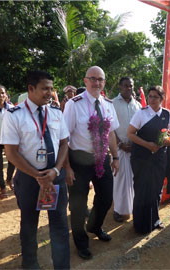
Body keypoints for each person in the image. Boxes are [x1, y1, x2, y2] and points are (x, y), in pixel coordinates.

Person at [0, 71, 70, 269]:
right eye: (44, 89)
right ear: (31, 89)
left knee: (59, 225)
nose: (49, 93)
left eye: (51, 88)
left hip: (55, 177)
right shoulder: (14, 115)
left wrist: (56, 170)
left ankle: (62, 266)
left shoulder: (56, 112)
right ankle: (30, 264)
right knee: (29, 225)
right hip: (30, 180)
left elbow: (64, 143)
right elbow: (11, 153)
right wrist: (37, 175)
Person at [63, 66, 119, 260]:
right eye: (93, 79)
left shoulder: (108, 104)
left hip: (102, 158)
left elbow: (111, 132)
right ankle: (81, 242)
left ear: (104, 82)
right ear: (85, 81)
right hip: (79, 159)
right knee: (78, 205)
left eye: (100, 79)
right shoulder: (74, 104)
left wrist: (116, 157)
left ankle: (94, 226)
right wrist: (67, 167)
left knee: (106, 197)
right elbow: (65, 137)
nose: (97, 83)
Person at [127, 85, 170, 234]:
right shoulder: (141, 114)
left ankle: (155, 219)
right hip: (141, 158)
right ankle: (140, 224)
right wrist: (147, 145)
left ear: (162, 99)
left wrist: (169, 140)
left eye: (155, 97)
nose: (152, 99)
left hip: (159, 158)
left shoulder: (167, 114)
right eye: (150, 96)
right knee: (142, 189)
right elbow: (130, 134)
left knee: (156, 189)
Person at [112, 77, 141, 222]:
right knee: (120, 180)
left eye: (131, 85)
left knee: (133, 181)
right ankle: (118, 210)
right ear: (120, 87)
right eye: (125, 85)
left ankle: (130, 207)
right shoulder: (112, 104)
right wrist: (120, 144)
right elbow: (109, 128)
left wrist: (135, 144)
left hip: (134, 149)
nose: (128, 88)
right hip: (119, 148)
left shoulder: (138, 105)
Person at [0, 84, 15, 199]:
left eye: (2, 93)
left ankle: (9, 179)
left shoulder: (11, 108)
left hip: (9, 139)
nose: (0, 95)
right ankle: (2, 186)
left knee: (12, 161)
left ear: (6, 94)